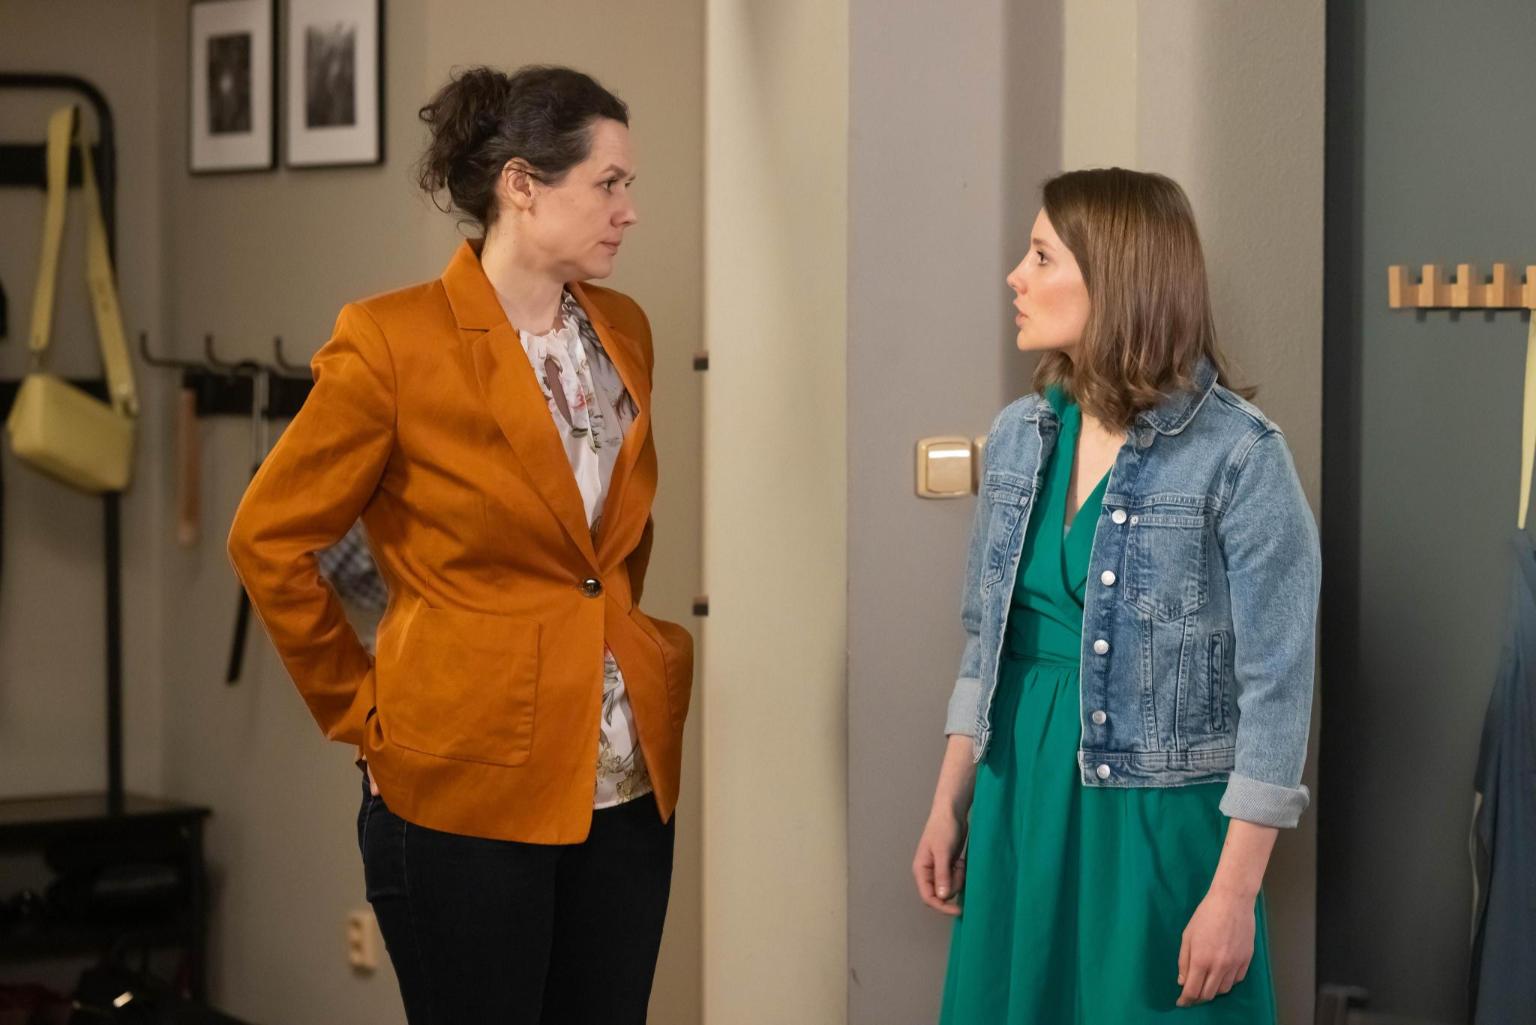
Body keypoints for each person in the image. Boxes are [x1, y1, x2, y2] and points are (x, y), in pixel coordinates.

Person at [227, 64, 693, 1025]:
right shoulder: (392, 341)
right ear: (522, 185)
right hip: (460, 781)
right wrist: (360, 709)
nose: (629, 210)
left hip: (622, 777)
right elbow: (268, 538)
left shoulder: (624, 331)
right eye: (609, 183)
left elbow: (608, 552)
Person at [913, 168, 1320, 1023]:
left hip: (1155, 824)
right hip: (1019, 794)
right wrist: (950, 802)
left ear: (1117, 277)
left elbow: (1278, 694)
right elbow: (987, 639)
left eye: (1041, 257)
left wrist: (1234, 894)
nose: (1015, 277)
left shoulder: (1241, 456)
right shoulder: (1021, 434)